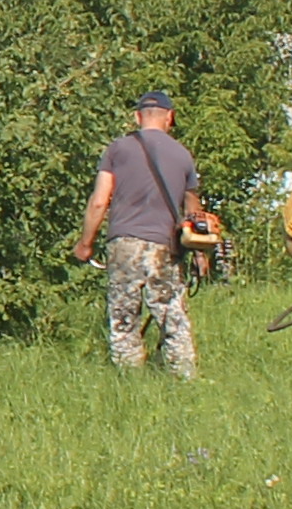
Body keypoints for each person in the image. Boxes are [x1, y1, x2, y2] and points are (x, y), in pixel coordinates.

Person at [72, 89, 202, 376]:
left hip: (124, 244)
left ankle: (130, 380)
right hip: (165, 248)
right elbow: (193, 211)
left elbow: (99, 201)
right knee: (173, 319)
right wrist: (200, 254)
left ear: (137, 116)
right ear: (170, 117)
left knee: (124, 318)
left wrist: (85, 244)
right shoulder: (183, 155)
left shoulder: (117, 149)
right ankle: (184, 378)